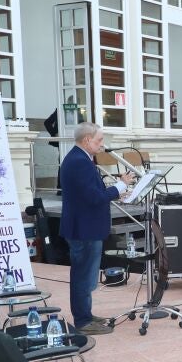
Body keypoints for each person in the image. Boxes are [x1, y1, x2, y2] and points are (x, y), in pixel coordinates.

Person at [60, 122, 134, 335]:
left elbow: (90, 193)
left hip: (84, 227)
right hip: (84, 229)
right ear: (86, 140)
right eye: (99, 140)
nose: (102, 144)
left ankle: (86, 314)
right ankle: (83, 321)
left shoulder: (79, 158)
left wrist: (116, 190)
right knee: (83, 275)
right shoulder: (79, 162)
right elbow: (94, 198)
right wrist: (119, 186)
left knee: (85, 274)